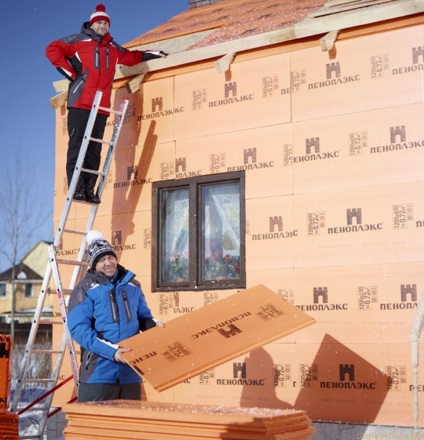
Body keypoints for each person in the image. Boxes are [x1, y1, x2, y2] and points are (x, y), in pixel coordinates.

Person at [46, 4, 168, 203]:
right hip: (80, 102)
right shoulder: (79, 40)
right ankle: (76, 188)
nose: (103, 26)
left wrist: (154, 53)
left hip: (101, 106)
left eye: (105, 23)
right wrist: (70, 73)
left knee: (95, 149)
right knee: (78, 146)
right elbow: (52, 49)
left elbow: (131, 57)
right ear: (92, 24)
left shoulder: (112, 47)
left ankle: (88, 190)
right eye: (99, 22)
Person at [67, 230, 164, 402]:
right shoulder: (84, 290)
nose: (108, 263)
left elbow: (143, 318)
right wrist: (113, 352)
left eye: (110, 257)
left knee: (129, 427)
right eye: (102, 260)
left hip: (130, 372)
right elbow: (79, 330)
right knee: (94, 427)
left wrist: (154, 325)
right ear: (94, 264)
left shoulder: (133, 285)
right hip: (99, 374)